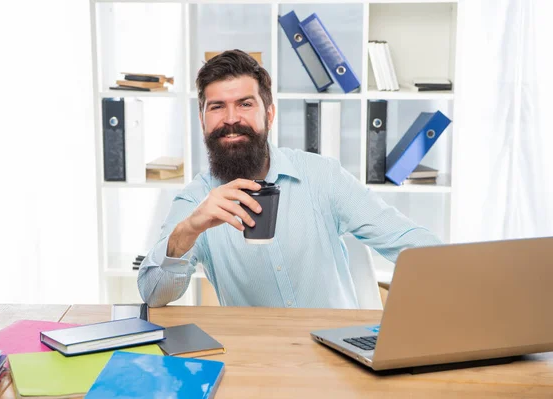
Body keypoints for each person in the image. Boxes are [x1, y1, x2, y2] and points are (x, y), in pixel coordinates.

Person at [138, 50, 442, 308]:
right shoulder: (196, 201)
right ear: (203, 121)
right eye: (217, 107)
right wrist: (189, 229)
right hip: (259, 362)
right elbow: (152, 293)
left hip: (338, 358)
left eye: (245, 104)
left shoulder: (322, 176)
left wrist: (471, 276)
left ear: (269, 115)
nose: (231, 119)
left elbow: (402, 239)